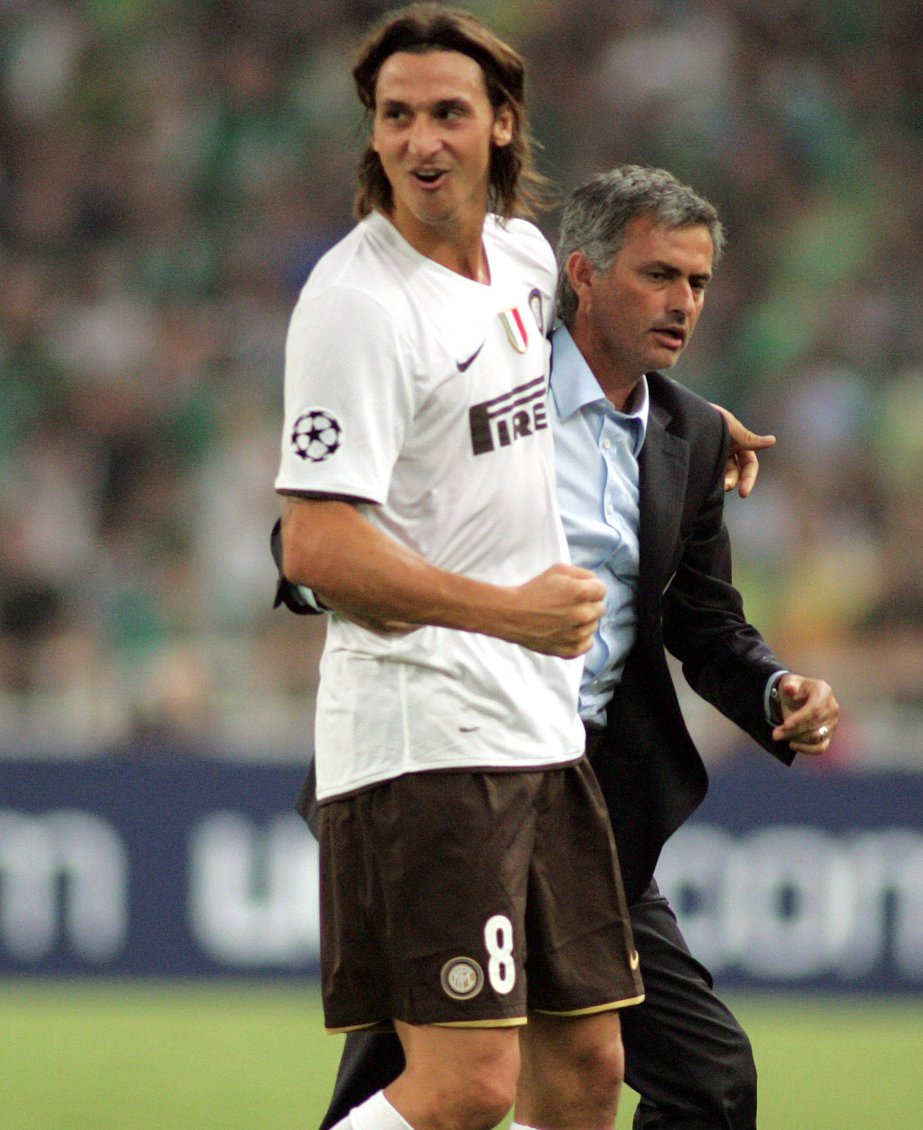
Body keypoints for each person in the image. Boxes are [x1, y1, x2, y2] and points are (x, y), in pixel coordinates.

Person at [280, 164, 841, 1130]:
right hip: (448, 767)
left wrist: (775, 687)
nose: (684, 303)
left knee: (696, 1081)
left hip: (592, 804)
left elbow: (705, 624)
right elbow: (316, 542)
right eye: (659, 275)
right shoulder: (485, 385)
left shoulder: (691, 437)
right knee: (440, 1087)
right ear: (578, 274)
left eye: (699, 283)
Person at [274, 8, 646, 1130]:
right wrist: (509, 614)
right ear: (372, 136)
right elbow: (316, 545)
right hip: (425, 736)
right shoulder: (357, 303)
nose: (420, 140)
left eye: (446, 113)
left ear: (500, 126)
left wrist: (703, 423)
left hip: (539, 727)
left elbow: (578, 385)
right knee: (465, 1086)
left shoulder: (526, 259)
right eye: (396, 116)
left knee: (583, 1072)